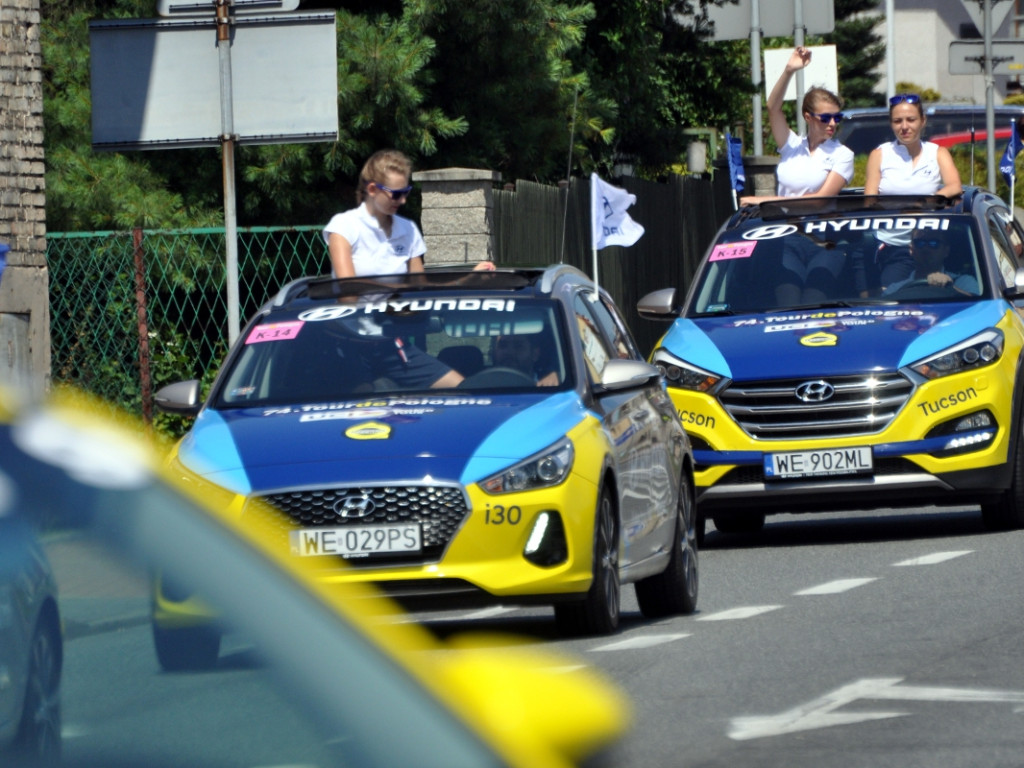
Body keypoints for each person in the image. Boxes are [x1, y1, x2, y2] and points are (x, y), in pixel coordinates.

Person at [323, 149, 495, 277]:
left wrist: (469, 278)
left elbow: (420, 291)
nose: (403, 200)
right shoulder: (344, 227)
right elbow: (348, 295)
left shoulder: (408, 229)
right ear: (373, 189)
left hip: (399, 323)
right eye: (396, 194)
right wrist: (394, 294)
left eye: (406, 192)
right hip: (355, 325)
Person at [740, 47, 854, 205]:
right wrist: (789, 71)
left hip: (816, 226)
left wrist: (763, 201)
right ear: (808, 117)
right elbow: (773, 108)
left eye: (837, 117)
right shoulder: (792, 145)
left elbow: (820, 200)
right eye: (826, 118)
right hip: (783, 225)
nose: (833, 123)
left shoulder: (842, 154)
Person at [864, 94, 963, 197]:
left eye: (911, 120)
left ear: (923, 121)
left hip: (928, 212)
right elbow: (869, 201)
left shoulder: (938, 153)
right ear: (891, 123)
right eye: (897, 121)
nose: (904, 126)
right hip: (890, 213)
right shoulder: (879, 155)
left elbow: (955, 187)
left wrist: (928, 203)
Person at [882, 232, 978, 296]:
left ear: (946, 251)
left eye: (934, 243)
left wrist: (951, 288)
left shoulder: (964, 282)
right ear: (911, 249)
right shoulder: (895, 290)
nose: (926, 249)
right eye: (919, 243)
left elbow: (980, 309)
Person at [492, 334, 559, 386]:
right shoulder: (483, 385)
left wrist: (558, 377)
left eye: (518, 346)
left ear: (535, 354)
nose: (509, 352)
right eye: (502, 345)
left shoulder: (552, 385)